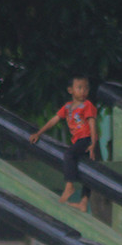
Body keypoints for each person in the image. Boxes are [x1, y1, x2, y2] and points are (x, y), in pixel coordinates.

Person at [28, 75, 98, 211]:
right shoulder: (67, 107)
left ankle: (69, 185)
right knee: (88, 170)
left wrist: (93, 144)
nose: (83, 91)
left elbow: (92, 124)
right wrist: (39, 133)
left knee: (69, 154)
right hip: (78, 140)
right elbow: (54, 120)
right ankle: (83, 202)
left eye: (86, 88)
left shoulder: (88, 105)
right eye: (79, 88)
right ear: (70, 90)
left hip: (86, 139)